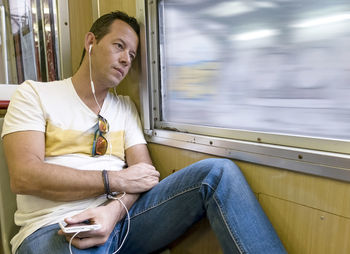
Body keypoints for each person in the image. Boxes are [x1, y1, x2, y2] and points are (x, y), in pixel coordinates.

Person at [1, 11, 286, 254]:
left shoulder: (124, 107)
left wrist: (111, 213)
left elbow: (145, 175)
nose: (126, 59)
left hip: (123, 218)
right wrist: (115, 179)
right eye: (118, 46)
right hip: (56, 227)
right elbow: (25, 176)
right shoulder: (35, 94)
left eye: (132, 54)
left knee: (218, 173)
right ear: (91, 42)